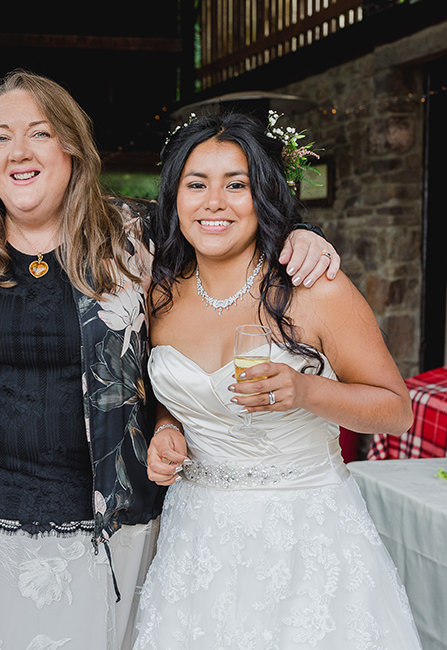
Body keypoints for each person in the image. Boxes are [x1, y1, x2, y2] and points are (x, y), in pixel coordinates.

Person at [0, 70, 339, 649]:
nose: (18, 152)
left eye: (38, 133)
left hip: (113, 520)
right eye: (0, 137)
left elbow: (222, 223)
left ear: (71, 147)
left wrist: (300, 230)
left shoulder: (136, 233)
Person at [133, 112, 422, 648]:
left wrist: (307, 390)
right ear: (175, 198)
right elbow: (180, 397)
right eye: (196, 184)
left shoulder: (315, 288)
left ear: (262, 194)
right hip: (197, 539)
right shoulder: (159, 295)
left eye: (235, 185)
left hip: (307, 535)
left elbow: (396, 409)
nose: (214, 201)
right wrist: (165, 427)